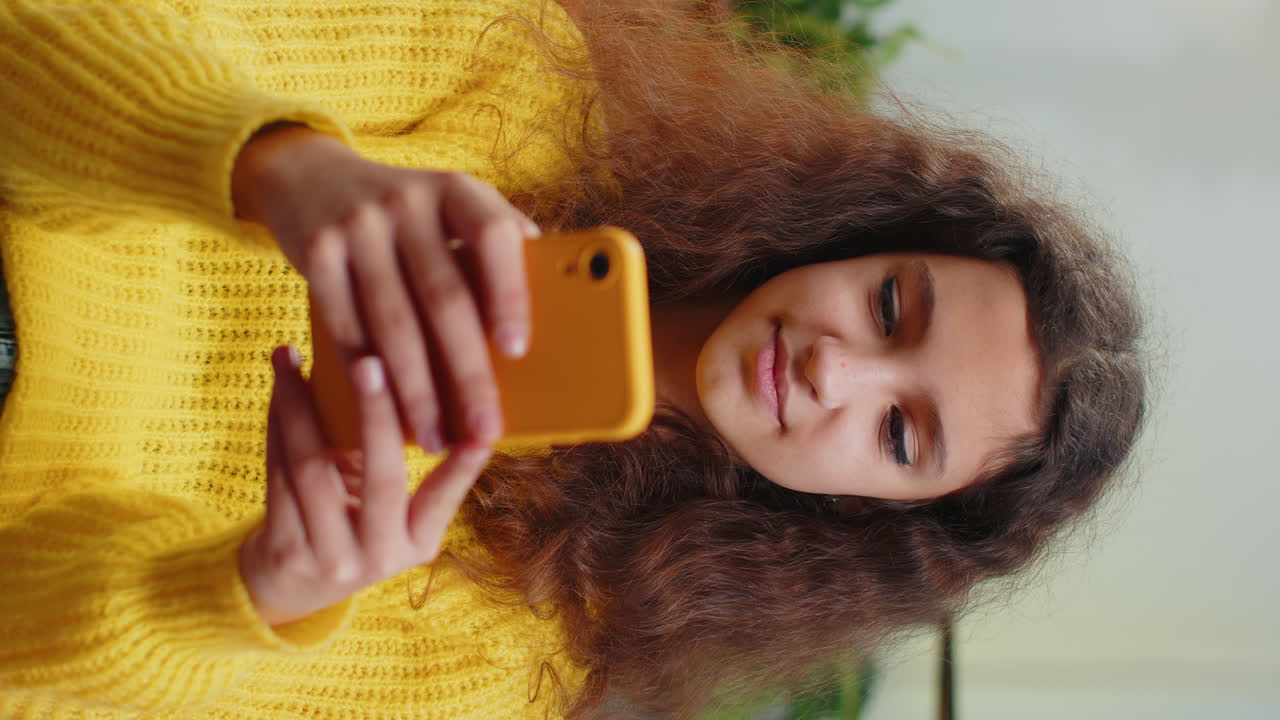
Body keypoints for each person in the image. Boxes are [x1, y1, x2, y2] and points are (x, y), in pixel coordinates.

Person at [0, 0, 1148, 717]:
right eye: (892, 304)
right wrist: (277, 164)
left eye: (899, 434)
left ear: (870, 512)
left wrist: (250, 594)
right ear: (863, 234)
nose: (834, 373)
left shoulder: (496, 670)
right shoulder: (513, 81)